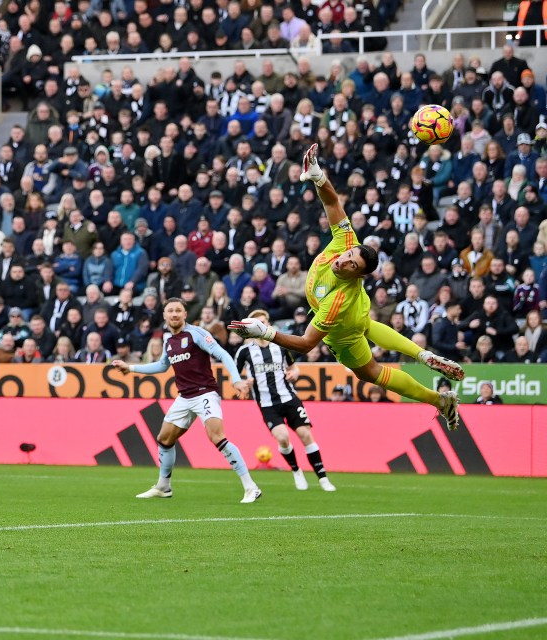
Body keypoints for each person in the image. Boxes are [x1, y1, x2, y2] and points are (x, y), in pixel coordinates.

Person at [228, 144, 463, 429]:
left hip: (343, 332)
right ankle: (422, 354)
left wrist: (264, 332)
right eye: (348, 256)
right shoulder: (347, 242)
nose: (344, 261)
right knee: (366, 323)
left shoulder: (339, 299)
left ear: (358, 276)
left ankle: (440, 401)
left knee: (371, 372)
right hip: (359, 313)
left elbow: (305, 344)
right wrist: (319, 177)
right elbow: (332, 204)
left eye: (352, 264)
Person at [109, 297, 260, 504]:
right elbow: (162, 366)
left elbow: (223, 354)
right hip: (185, 396)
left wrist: (236, 379)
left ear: (185, 314)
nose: (174, 314)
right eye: (170, 311)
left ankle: (251, 487)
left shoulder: (196, 333)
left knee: (216, 437)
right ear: (164, 315)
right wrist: (131, 368)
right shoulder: (167, 340)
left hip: (205, 393)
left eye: (178, 310)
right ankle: (163, 486)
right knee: (164, 439)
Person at [234, 310, 335, 492]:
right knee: (283, 437)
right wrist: (244, 383)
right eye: (256, 323)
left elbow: (293, 368)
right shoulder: (244, 351)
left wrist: (294, 373)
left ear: (268, 324)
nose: (260, 326)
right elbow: (235, 376)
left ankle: (323, 478)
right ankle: (296, 470)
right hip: (267, 404)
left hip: (289, 398)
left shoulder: (280, 346)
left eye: (263, 322)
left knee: (305, 435)